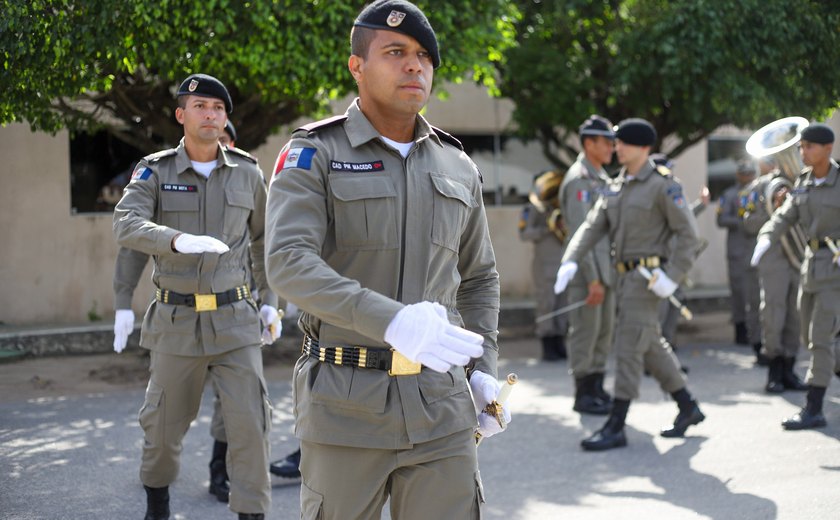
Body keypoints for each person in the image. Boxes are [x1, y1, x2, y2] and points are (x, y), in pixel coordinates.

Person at [264, 1, 506, 517]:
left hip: (441, 406)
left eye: (423, 55)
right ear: (357, 66)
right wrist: (392, 320)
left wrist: (482, 368)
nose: (414, 65)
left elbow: (479, 278)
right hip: (346, 405)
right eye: (395, 52)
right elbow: (288, 262)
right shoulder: (315, 153)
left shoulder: (457, 164)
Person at [113, 73, 280, 520]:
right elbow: (126, 224)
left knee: (250, 425)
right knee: (163, 427)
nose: (211, 115)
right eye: (201, 106)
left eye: (219, 108)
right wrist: (174, 240)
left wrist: (270, 300)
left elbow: (264, 239)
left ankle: (251, 513)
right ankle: (158, 507)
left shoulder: (247, 171)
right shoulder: (155, 169)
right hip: (176, 319)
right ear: (181, 115)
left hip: (236, 320)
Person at [554, 118, 706, 451]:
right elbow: (592, 227)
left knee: (627, 347)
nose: (616, 147)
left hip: (648, 280)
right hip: (622, 278)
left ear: (643, 148)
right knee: (649, 342)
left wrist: (673, 276)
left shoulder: (664, 185)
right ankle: (687, 405)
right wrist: (571, 259)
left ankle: (616, 424)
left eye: (622, 143)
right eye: (615, 142)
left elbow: (688, 235)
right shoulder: (616, 186)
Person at [751, 122, 840, 430]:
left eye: (808, 147)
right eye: (801, 147)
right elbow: (785, 215)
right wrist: (766, 237)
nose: (802, 151)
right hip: (810, 265)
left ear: (827, 149)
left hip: (835, 268)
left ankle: (814, 408)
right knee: (806, 335)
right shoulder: (802, 182)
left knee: (819, 339)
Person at [556, 115, 616, 414]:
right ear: (589, 143)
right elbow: (581, 234)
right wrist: (593, 279)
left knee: (603, 333)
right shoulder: (580, 178)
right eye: (606, 142)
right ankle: (583, 393)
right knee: (585, 332)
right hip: (588, 273)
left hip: (606, 271)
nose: (612, 147)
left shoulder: (601, 178)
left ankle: (597, 388)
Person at [741, 158, 807, 392]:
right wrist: (774, 210)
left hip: (798, 255)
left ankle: (790, 367)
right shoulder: (754, 189)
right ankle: (774, 369)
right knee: (773, 311)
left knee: (795, 313)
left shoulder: (801, 182)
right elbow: (748, 223)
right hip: (773, 258)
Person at [651, 153, 710, 355]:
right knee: (661, 309)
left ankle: (666, 346)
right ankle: (655, 353)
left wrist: (702, 204)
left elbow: (684, 215)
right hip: (659, 261)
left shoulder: (668, 190)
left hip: (673, 261)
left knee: (674, 304)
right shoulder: (656, 192)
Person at [518, 169, 569, 361]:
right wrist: (547, 228)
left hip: (561, 263)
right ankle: (547, 346)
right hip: (544, 266)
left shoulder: (560, 209)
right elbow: (524, 234)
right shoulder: (531, 209)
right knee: (547, 304)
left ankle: (559, 342)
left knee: (562, 303)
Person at [716, 162, 761, 348]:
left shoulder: (759, 193)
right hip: (737, 251)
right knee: (739, 292)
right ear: (738, 175)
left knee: (756, 292)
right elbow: (721, 219)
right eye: (745, 174)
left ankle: (756, 331)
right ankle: (740, 329)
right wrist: (743, 222)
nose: (748, 177)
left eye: (751, 173)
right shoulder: (729, 195)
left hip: (755, 249)